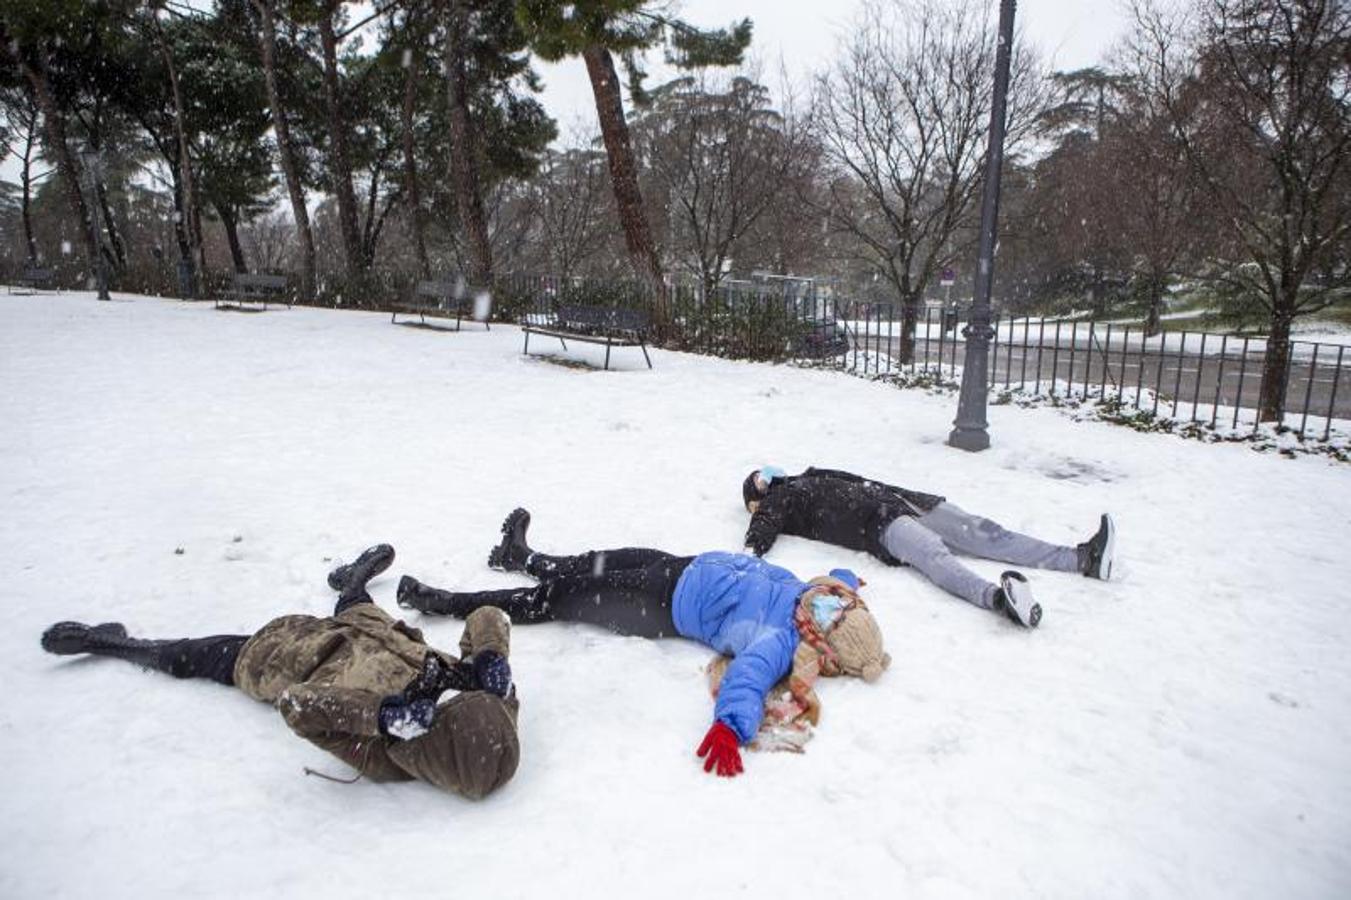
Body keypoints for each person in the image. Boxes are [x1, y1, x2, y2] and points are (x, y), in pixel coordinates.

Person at [395, 509, 890, 778]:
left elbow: (748, 678)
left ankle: (446, 601)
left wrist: (730, 727)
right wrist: (848, 583)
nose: (823, 602)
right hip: (684, 566)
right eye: (836, 601)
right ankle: (520, 556)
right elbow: (841, 576)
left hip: (661, 606)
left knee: (561, 597)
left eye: (829, 614)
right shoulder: (818, 593)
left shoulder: (781, 640)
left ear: (822, 643)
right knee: (598, 561)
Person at [40, 544, 520, 799]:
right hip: (371, 629)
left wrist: (381, 715)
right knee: (356, 605)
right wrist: (491, 659)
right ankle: (352, 579)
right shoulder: (487, 708)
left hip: (287, 653)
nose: (452, 694)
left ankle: (111, 642)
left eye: (452, 705)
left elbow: (298, 705)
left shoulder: (387, 756)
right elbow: (490, 618)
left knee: (195, 655)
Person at [741, 466, 1118, 630]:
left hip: (905, 502)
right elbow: (764, 523)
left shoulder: (807, 476)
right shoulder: (780, 499)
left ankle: (1082, 559)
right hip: (878, 524)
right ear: (757, 498)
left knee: (988, 533)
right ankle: (999, 601)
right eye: (759, 479)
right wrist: (749, 554)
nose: (767, 474)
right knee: (934, 555)